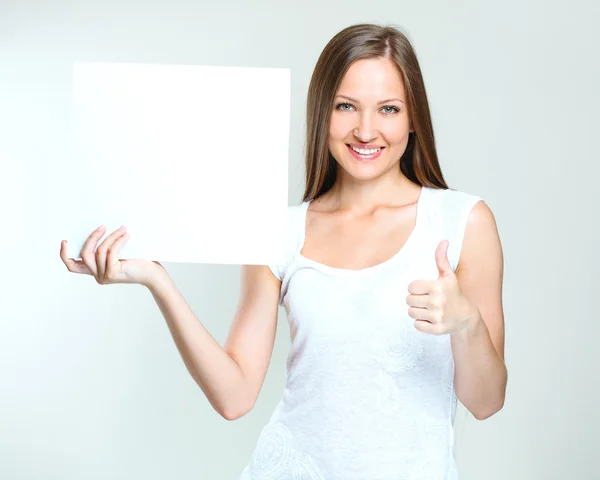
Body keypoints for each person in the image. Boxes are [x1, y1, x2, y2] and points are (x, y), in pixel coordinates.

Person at [60, 23, 507, 480]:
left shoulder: (461, 221)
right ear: (321, 112)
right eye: (346, 106)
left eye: (388, 109)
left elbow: (487, 401)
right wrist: (157, 279)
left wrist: (466, 322)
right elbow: (235, 398)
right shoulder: (280, 230)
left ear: (413, 118)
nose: (366, 130)